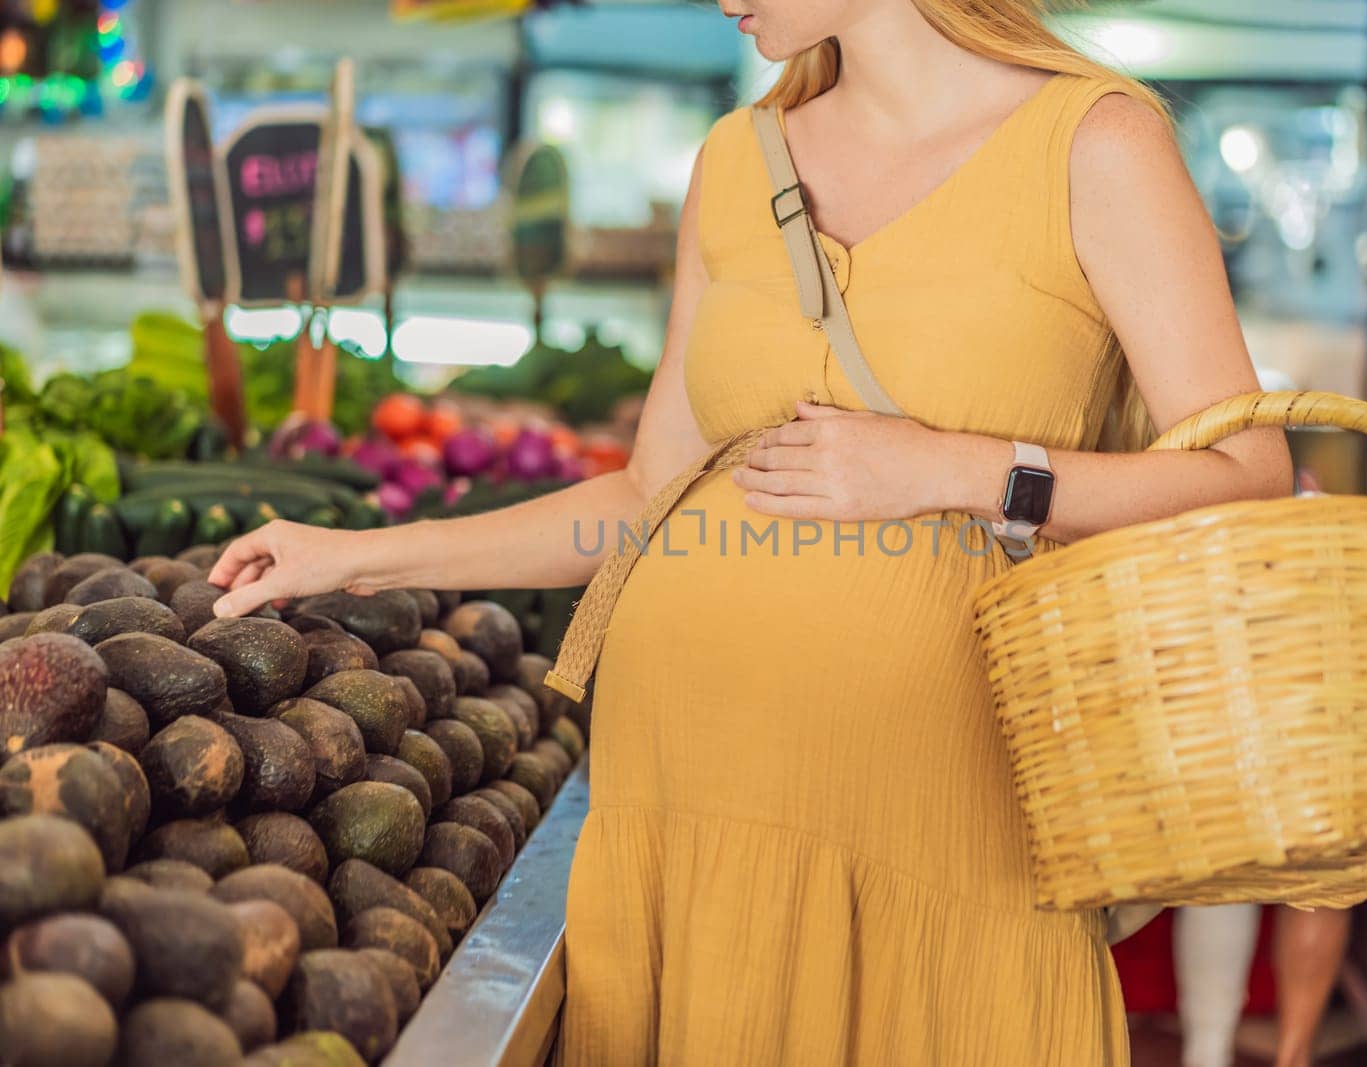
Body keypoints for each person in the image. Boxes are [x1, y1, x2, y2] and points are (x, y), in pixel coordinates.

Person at [209, 0, 1292, 1062]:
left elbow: (1246, 477)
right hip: (684, 802)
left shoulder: (1094, 140)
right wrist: (358, 554)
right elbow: (645, 496)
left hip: (937, 824)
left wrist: (959, 469)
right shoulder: (737, 159)